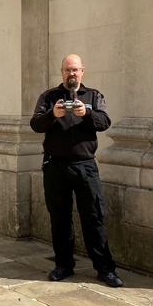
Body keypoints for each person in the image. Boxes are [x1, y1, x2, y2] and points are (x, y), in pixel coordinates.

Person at [30, 54, 123, 287]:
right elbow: (35, 124)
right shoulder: (49, 97)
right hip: (55, 166)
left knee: (94, 217)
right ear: (61, 72)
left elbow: (105, 122)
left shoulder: (94, 96)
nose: (71, 74)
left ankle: (105, 269)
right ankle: (63, 265)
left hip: (85, 166)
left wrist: (87, 113)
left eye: (75, 70)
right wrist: (53, 115)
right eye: (67, 70)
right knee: (59, 218)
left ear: (82, 71)